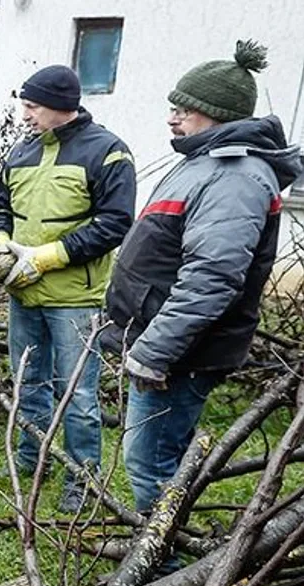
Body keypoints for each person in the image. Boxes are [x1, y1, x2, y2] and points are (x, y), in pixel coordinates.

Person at [103, 41, 301, 515]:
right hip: (170, 342)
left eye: (183, 110)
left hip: (183, 352)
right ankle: (166, 540)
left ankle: (160, 551)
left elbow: (212, 277)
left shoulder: (235, 176)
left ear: (217, 114)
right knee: (163, 453)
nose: (172, 118)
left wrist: (155, 351)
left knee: (149, 460)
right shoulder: (205, 162)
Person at [0, 65, 137, 512]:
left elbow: (114, 223)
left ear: (60, 105)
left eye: (32, 106)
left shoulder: (108, 152)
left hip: (74, 299)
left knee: (78, 394)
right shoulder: (22, 151)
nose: (25, 115)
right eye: (25, 106)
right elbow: (0, 208)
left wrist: (46, 258)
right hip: (23, 294)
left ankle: (82, 478)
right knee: (28, 383)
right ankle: (30, 459)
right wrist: (1, 246)